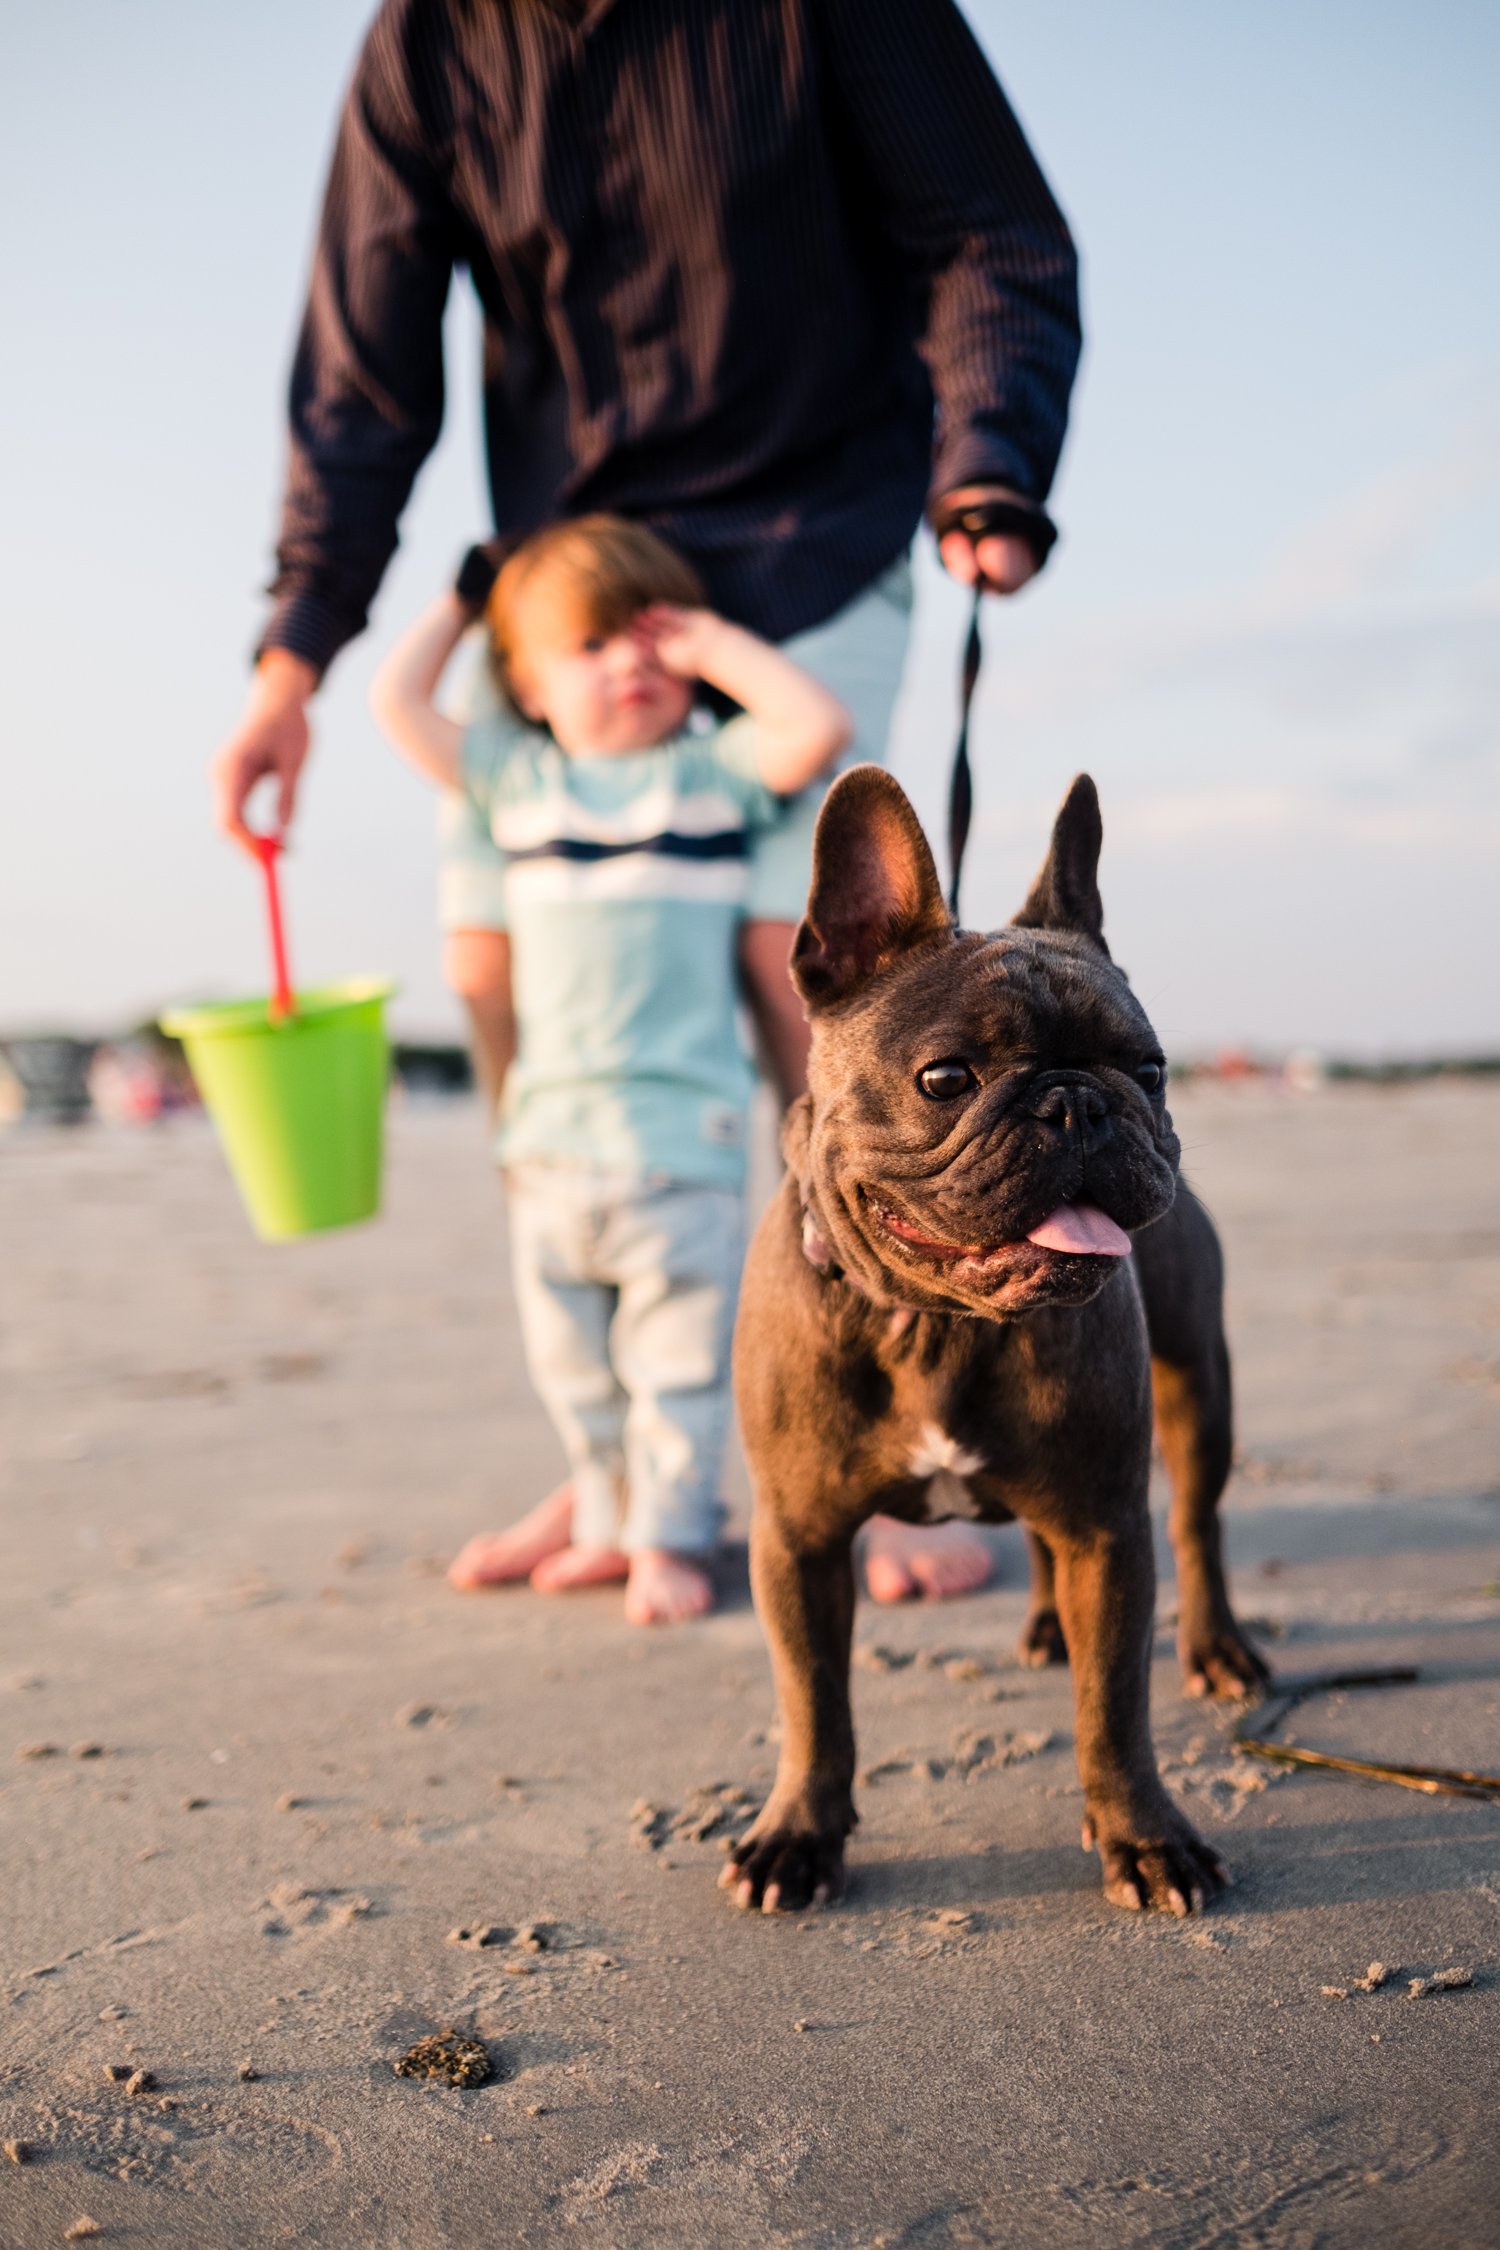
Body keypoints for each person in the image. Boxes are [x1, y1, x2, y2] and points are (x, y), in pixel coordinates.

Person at [212, 0, 1082, 1601]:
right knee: (493, 967)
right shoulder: (433, 42)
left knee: (790, 976)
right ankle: (624, 1433)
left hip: (800, 546)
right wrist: (293, 656)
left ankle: (856, 1427)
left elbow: (991, 230)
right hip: (571, 592)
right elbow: (363, 361)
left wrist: (993, 459)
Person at [369, 515, 852, 1623]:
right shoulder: (513, 780)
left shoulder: (713, 777)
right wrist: (461, 597)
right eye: (591, 646)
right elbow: (393, 707)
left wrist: (711, 642)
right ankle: (603, 1520)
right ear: (526, 687)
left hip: (684, 1141)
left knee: (676, 1366)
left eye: (650, 639)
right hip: (546, 1144)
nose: (632, 659)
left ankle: (674, 1540)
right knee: (575, 1372)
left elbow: (814, 723)